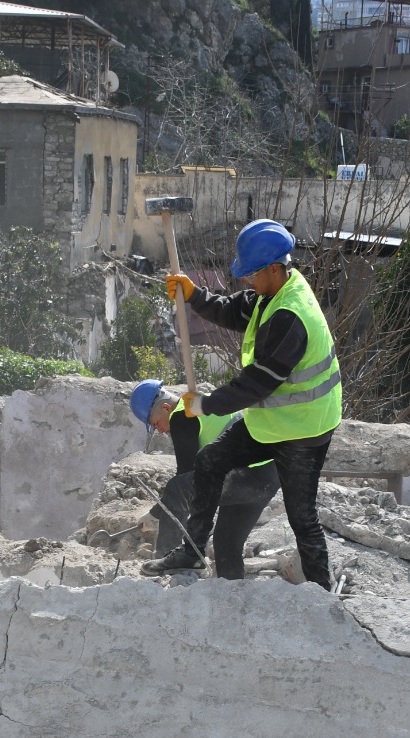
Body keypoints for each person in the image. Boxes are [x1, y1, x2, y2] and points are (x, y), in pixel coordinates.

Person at [143, 220, 343, 588]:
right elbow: (236, 310)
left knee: (303, 517)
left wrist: (205, 404)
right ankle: (192, 549)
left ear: (274, 268)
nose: (245, 281)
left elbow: (258, 384)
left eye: (251, 274)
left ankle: (321, 596)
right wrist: (194, 295)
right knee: (210, 461)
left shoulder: (290, 315)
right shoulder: (273, 293)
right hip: (274, 421)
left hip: (304, 427)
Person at [129, 379, 278, 580]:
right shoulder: (198, 404)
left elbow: (184, 480)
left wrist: (156, 513)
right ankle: (232, 596)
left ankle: (164, 565)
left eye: (156, 423)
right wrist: (157, 512)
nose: (161, 431)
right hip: (267, 476)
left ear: (165, 407)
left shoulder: (182, 416)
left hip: (244, 475)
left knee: (178, 487)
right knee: (226, 545)